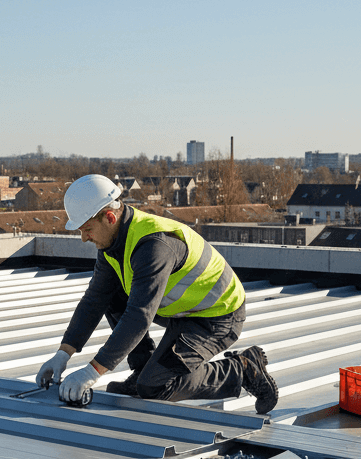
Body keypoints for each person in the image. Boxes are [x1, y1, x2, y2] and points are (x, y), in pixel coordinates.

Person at [36, 175, 278, 413]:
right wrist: (63, 354)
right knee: (111, 294)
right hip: (184, 309)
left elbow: (139, 316)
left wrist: (92, 371)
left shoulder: (154, 246)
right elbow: (94, 300)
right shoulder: (114, 241)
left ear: (110, 217)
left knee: (154, 386)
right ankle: (142, 368)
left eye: (87, 229)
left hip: (218, 314)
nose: (83, 238)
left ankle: (243, 369)